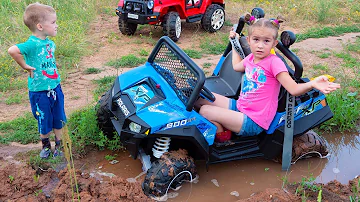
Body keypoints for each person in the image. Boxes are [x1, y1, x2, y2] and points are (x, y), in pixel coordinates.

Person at [195, 14, 340, 142]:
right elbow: (236, 66)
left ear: (274, 43)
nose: (260, 46)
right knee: (199, 97)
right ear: (249, 40)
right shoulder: (252, 58)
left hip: (254, 121)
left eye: (266, 41)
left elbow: (294, 89)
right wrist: (234, 43)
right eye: (256, 40)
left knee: (205, 111)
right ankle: (222, 125)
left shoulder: (274, 63)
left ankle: (224, 138)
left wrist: (313, 83)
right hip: (241, 107)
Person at [8, 3, 66, 158]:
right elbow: (12, 50)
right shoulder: (31, 44)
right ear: (40, 26)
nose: (56, 25)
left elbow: (47, 60)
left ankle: (59, 146)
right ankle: (46, 147)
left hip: (55, 87)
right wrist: (25, 66)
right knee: (44, 119)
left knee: (58, 117)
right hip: (39, 92)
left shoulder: (50, 43)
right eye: (53, 22)